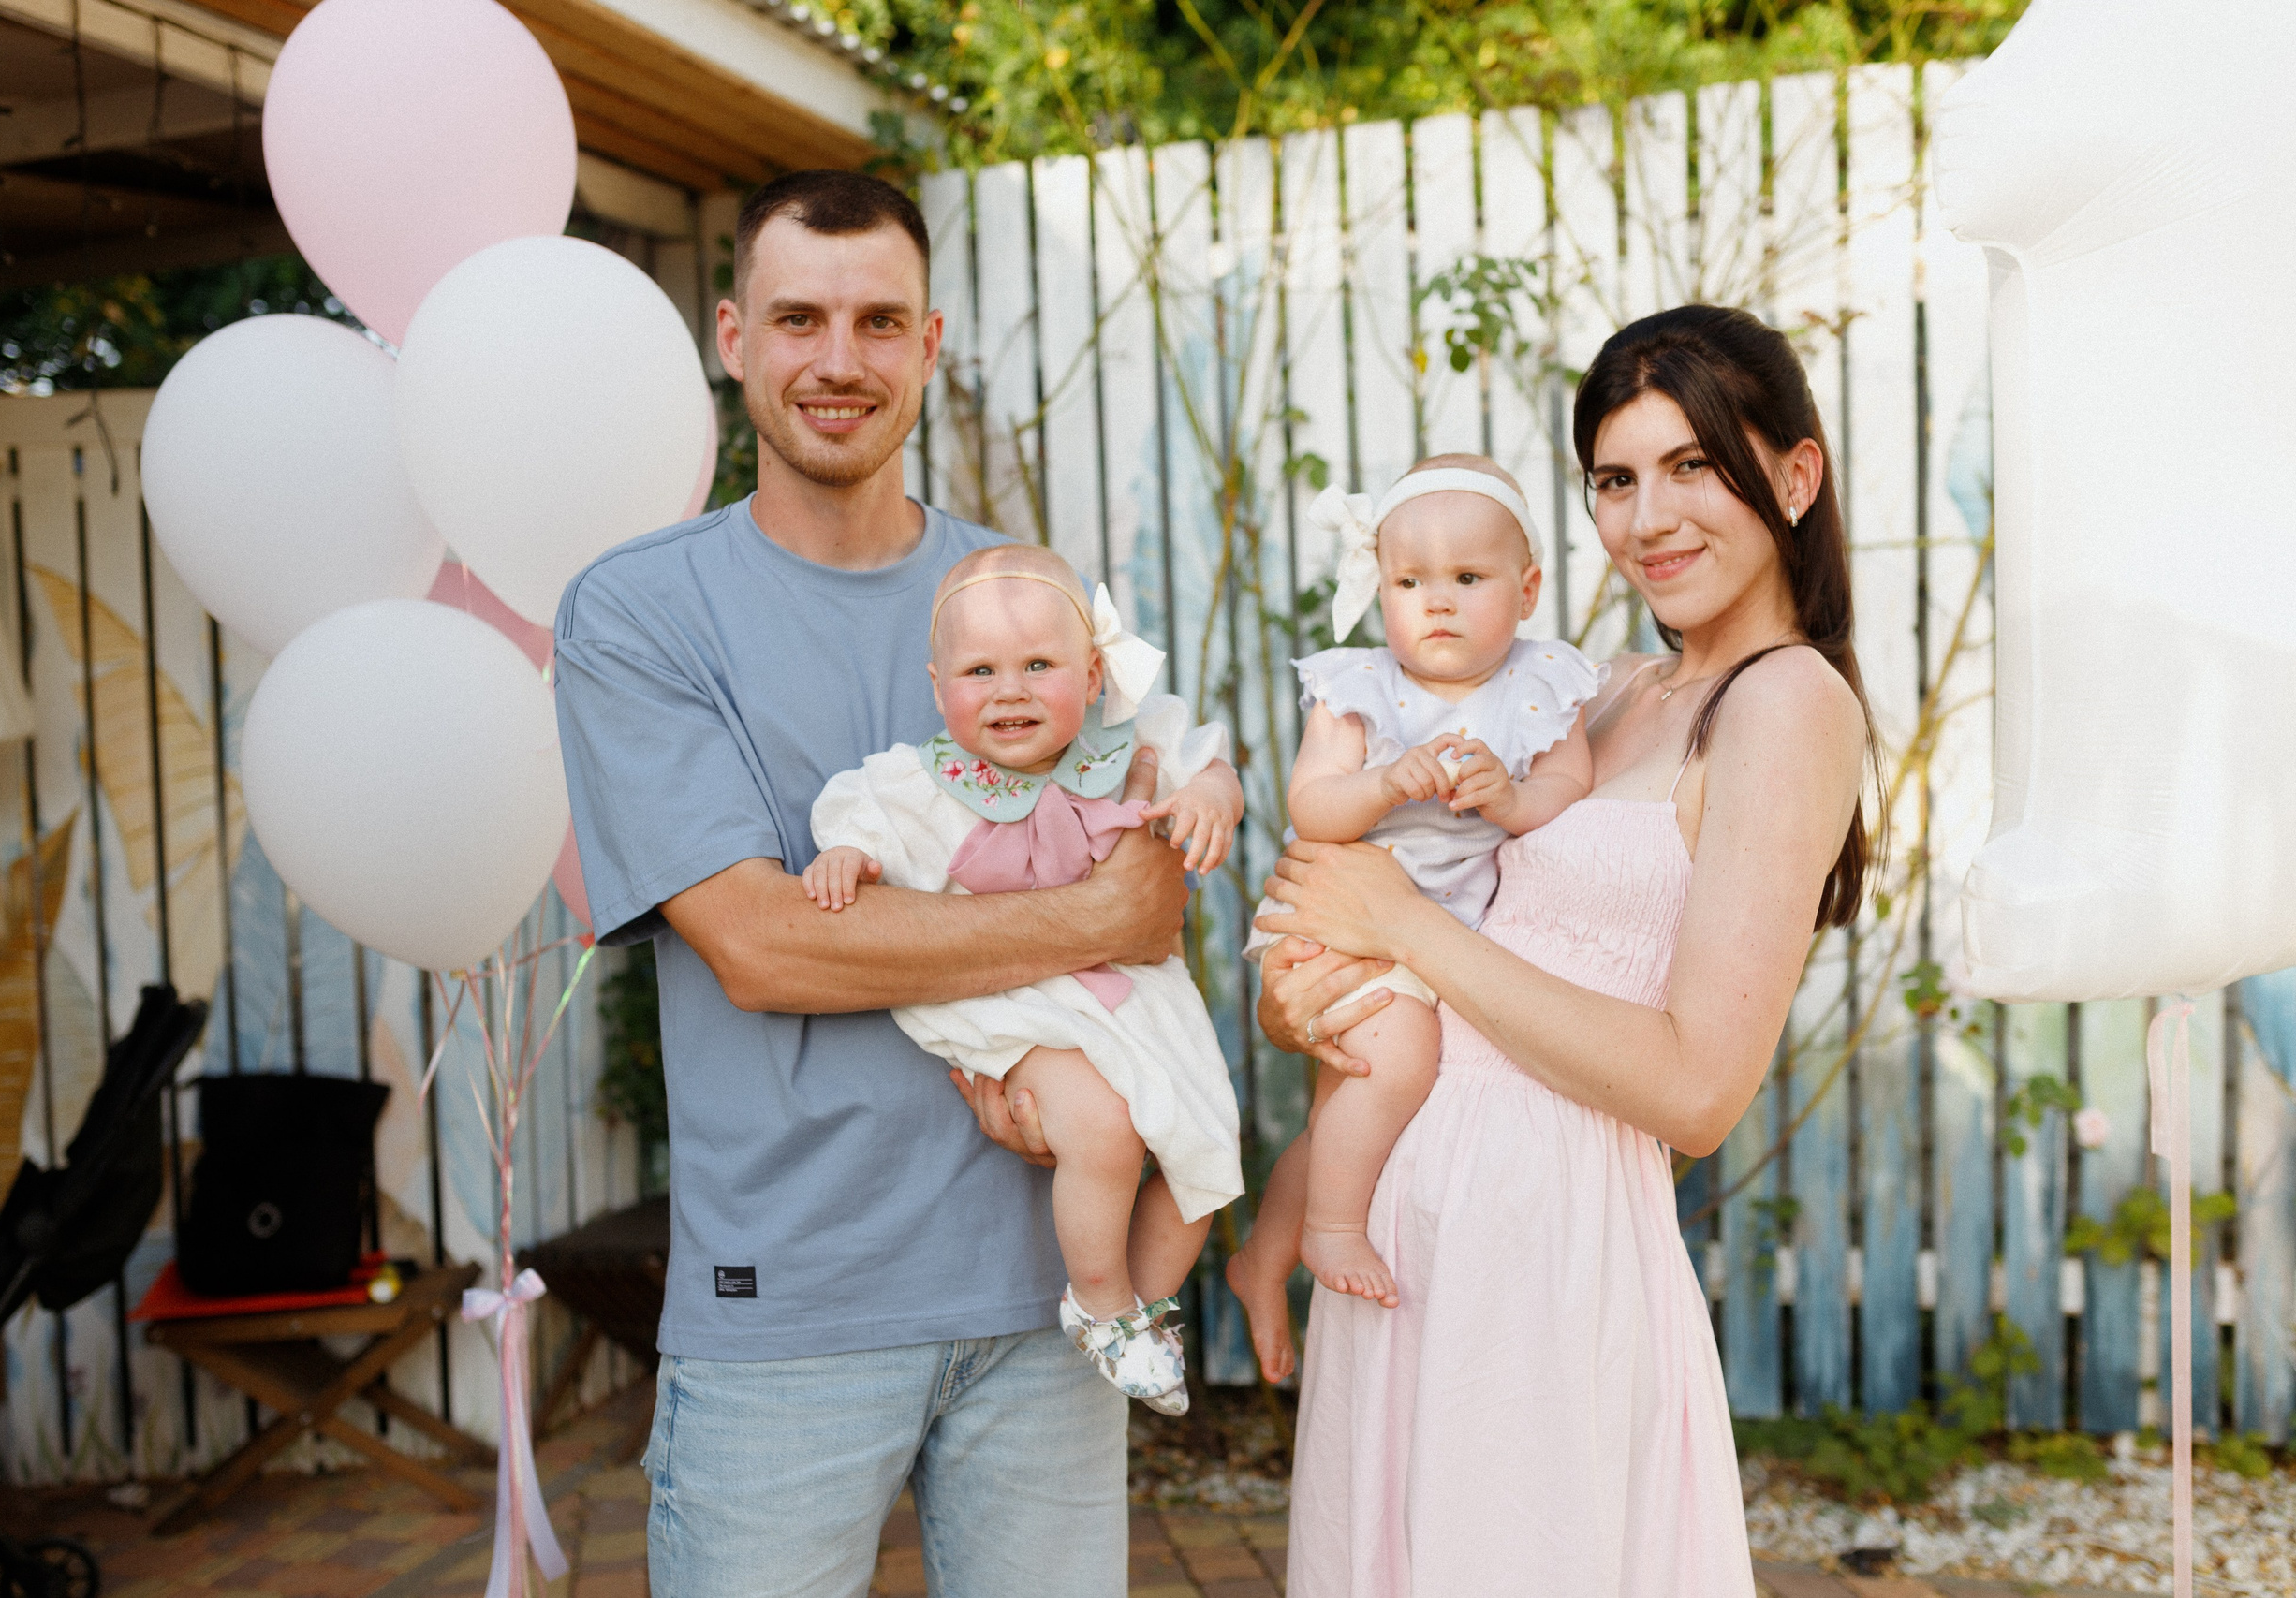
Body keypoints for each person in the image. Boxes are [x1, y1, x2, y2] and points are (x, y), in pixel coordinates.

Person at [553, 169, 1191, 1598]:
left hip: (1046, 1299)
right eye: (798, 318)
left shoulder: (1024, 597)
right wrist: (1088, 916)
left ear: (931, 341)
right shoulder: (641, 611)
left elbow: (1159, 890)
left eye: (877, 320)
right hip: (790, 1305)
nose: (838, 360)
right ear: (732, 336)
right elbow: (769, 947)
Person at [1253, 304, 1877, 1595]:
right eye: (1616, 477)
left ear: (1796, 476)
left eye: (1695, 464)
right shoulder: (1590, 690)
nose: (1650, 517)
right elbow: (1424, 950)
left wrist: (1398, 922)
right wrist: (1311, 994)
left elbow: (1697, 1087)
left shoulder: (1788, 705)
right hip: (1405, 1228)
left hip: (1542, 1254)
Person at [802, 543, 1246, 1414]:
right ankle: (1098, 1293)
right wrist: (849, 851)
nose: (1008, 689)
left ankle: (1139, 1314)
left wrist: (1211, 800)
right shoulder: (927, 780)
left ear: (1091, 674)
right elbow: (859, 807)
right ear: (939, 687)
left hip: (1128, 991)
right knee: (1105, 1128)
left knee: (1207, 1148)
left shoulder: (1126, 747)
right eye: (980, 670)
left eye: (1038, 665)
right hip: (1009, 996)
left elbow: (1210, 764)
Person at [1226, 453, 1598, 1381]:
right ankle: (1330, 1230)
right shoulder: (1358, 688)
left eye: (1466, 580)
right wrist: (1385, 781)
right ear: (1379, 585)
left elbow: (1569, 780)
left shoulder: (1541, 681)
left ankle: (1259, 1256)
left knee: (1338, 1114)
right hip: (1346, 921)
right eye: (1407, 581)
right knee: (1396, 1062)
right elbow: (1312, 808)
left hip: (1427, 932)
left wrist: (1510, 800)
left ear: (1526, 588)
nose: (1435, 603)